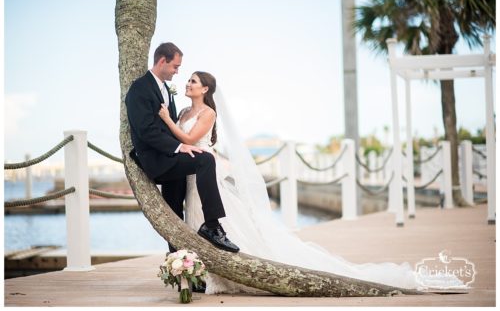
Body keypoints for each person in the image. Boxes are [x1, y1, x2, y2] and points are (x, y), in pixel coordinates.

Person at [159, 71, 466, 295]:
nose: (188, 84)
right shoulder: (184, 109)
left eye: (193, 81)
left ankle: (221, 271)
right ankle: (202, 270)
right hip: (188, 174)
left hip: (204, 171)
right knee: (193, 217)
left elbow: (187, 137)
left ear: (206, 88)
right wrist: (171, 119)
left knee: (208, 216)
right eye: (187, 80)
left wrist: (166, 119)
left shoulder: (208, 112)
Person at [125, 42, 239, 254]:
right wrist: (179, 147)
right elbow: (146, 130)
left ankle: (183, 268)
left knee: (174, 212)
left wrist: (179, 146)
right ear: (162, 61)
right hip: (158, 159)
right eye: (175, 66)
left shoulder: (166, 89)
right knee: (205, 159)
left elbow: (171, 127)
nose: (178, 72)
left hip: (171, 157)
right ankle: (212, 226)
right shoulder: (140, 89)